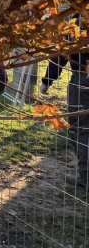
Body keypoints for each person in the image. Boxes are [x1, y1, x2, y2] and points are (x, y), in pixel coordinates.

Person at [38, 14, 89, 189]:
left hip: (82, 79)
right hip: (82, 79)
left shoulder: (76, 20)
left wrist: (46, 81)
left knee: (82, 128)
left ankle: (86, 177)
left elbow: (60, 55)